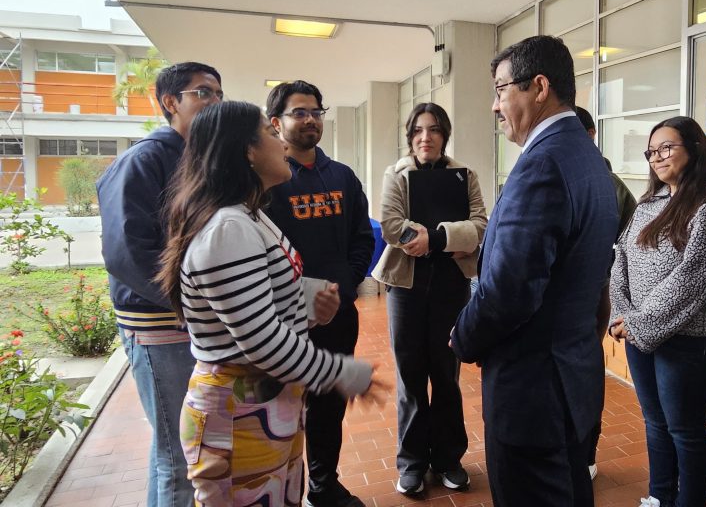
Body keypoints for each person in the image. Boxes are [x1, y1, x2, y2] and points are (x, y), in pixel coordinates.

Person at [155, 101, 386, 507]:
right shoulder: (228, 227)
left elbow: (256, 303)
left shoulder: (251, 216)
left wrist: (310, 308)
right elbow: (261, 340)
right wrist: (342, 372)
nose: (281, 142)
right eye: (270, 132)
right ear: (247, 151)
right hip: (237, 415)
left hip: (262, 404)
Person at [451, 35, 619, 507]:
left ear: (539, 87)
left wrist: (464, 336)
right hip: (572, 378)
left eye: (501, 89)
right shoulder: (587, 158)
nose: (494, 105)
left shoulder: (542, 164)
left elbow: (509, 290)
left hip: (533, 390)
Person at [96, 61, 223, 507]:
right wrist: (191, 305)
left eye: (217, 95)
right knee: (180, 455)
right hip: (157, 324)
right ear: (171, 103)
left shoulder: (199, 161)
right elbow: (126, 252)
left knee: (175, 447)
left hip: (192, 323)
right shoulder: (143, 160)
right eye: (203, 94)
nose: (214, 103)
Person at [609, 116, 706, 507]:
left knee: (685, 430)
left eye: (667, 147)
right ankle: (659, 497)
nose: (656, 157)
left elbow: (691, 281)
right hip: (641, 335)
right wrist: (623, 312)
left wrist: (637, 323)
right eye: (652, 150)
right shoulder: (651, 201)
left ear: (695, 148)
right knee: (656, 424)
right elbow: (621, 258)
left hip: (691, 341)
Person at [263, 81, 375, 507]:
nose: (310, 119)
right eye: (299, 112)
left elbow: (363, 239)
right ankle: (284, 489)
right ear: (277, 123)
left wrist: (344, 286)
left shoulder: (342, 176)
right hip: (283, 321)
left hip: (339, 312)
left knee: (328, 407)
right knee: (284, 406)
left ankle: (325, 487)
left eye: (315, 111)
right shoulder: (268, 180)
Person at [372, 102, 486, 496]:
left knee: (447, 375)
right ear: (410, 136)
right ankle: (412, 463)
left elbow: (481, 226)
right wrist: (421, 242)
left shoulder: (464, 175)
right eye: (419, 130)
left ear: (444, 135)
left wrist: (435, 239)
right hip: (406, 288)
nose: (426, 137)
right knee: (411, 376)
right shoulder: (396, 173)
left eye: (434, 129)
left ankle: (449, 459)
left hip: (451, 286)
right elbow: (389, 223)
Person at [575, 106, 637, 480]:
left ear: (591, 135)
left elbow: (632, 241)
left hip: (592, 293)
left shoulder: (611, 184)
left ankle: (586, 452)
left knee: (584, 367)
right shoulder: (541, 171)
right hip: (549, 298)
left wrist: (615, 282)